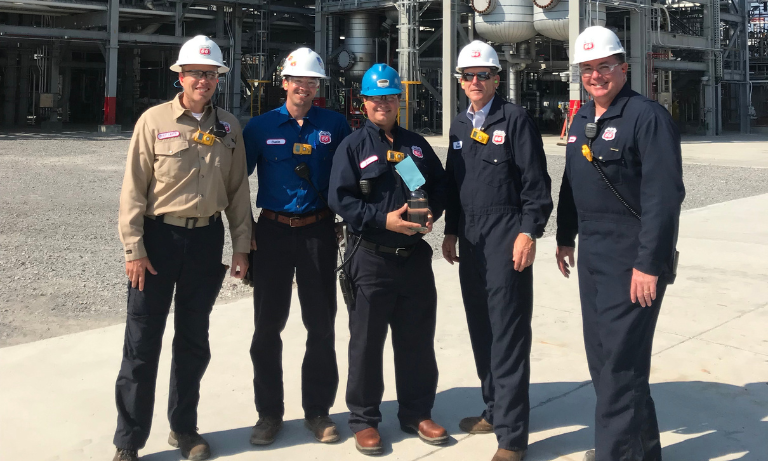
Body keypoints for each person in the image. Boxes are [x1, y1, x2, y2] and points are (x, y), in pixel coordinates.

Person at [113, 35, 251, 461]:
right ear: (181, 75)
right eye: (196, 73)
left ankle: (184, 428)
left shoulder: (228, 127)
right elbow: (133, 190)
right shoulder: (153, 122)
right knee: (142, 342)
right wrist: (134, 249)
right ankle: (129, 441)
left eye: (210, 75)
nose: (203, 82)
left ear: (217, 79)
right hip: (158, 240)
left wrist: (242, 247)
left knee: (193, 339)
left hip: (206, 239)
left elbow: (238, 192)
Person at [554, 26, 684, 461]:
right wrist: (564, 236)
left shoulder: (647, 117)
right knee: (606, 363)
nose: (596, 75)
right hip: (593, 257)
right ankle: (643, 453)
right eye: (587, 69)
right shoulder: (582, 119)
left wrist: (650, 263)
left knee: (619, 369)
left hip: (633, 259)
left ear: (623, 67)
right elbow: (572, 183)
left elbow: (664, 198)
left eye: (604, 66)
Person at [328, 64, 450, 456]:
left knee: (416, 340)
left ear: (400, 100)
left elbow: (441, 188)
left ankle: (417, 413)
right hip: (371, 258)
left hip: (413, 259)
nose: (384, 104)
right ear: (364, 103)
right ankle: (364, 420)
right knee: (366, 344)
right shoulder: (352, 146)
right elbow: (340, 199)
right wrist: (383, 220)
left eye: (391, 97)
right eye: (376, 98)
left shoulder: (416, 146)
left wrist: (432, 213)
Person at [441, 40, 553, 461]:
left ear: (496, 78)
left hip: (506, 234)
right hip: (470, 237)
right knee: (481, 327)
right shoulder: (458, 126)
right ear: (460, 81)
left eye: (482, 75)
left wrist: (530, 232)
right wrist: (451, 230)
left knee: (507, 332)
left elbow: (535, 185)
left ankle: (512, 437)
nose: (474, 82)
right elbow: (454, 185)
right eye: (468, 76)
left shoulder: (515, 119)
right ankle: (494, 408)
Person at [242, 47, 351, 445]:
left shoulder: (335, 126)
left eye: (311, 81)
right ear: (283, 82)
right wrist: (242, 236)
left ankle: (318, 412)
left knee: (320, 325)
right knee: (267, 327)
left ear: (318, 86)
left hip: (318, 232)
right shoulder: (258, 127)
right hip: (270, 233)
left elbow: (355, 172)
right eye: (297, 79)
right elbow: (236, 184)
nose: (303, 86)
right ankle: (269, 414)